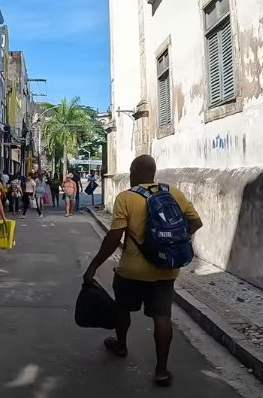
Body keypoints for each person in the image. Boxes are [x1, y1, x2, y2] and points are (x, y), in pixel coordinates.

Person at [82, 155, 204, 387]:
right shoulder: (174, 193)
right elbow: (196, 223)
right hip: (165, 270)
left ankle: (121, 345)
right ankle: (161, 370)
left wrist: (93, 267)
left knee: (122, 309)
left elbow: (113, 237)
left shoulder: (126, 198)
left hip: (131, 270)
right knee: (162, 317)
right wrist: (174, 242)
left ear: (136, 171)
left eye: (130, 170)